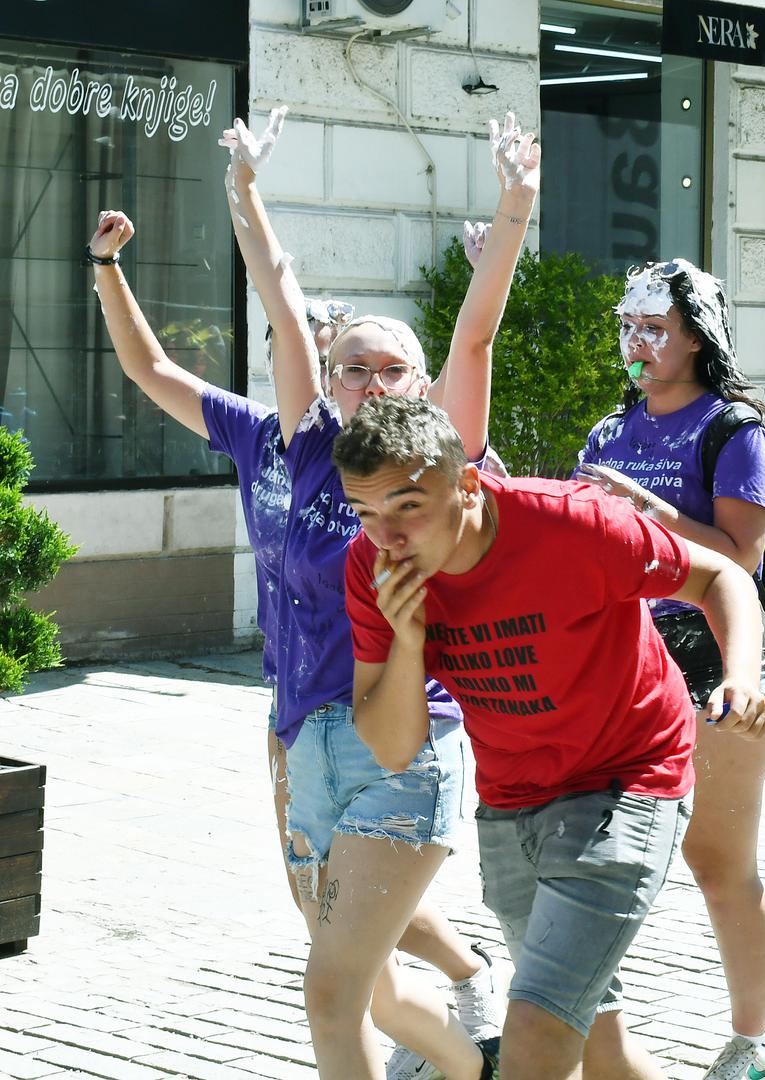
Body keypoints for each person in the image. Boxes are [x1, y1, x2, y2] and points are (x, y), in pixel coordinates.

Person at [215, 105, 535, 1078]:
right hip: (311, 733)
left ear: (421, 382)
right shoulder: (314, 445)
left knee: (334, 982)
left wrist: (515, 206)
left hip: (411, 734)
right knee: (350, 974)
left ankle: (465, 1033)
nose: (375, 381)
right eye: (356, 367)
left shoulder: (444, 456)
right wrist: (243, 190)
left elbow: (474, 341)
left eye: (396, 368)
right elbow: (279, 304)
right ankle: (461, 1056)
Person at [334, 394, 765, 1080]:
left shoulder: (572, 522)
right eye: (365, 513)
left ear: (469, 485)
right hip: (512, 800)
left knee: (536, 1032)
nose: (386, 537)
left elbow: (719, 573)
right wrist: (407, 642)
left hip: (627, 779)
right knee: (598, 1040)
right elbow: (392, 747)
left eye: (407, 507)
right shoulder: (372, 569)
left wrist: (740, 677)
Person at [574, 259, 765, 1080]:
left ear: (697, 336)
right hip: (621, 665)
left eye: (654, 327)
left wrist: (654, 512)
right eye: (627, 325)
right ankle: (593, 1031)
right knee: (592, 856)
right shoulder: (606, 432)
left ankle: (752, 1042)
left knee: (716, 861)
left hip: (718, 666)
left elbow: (742, 557)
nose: (636, 341)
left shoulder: (734, 429)